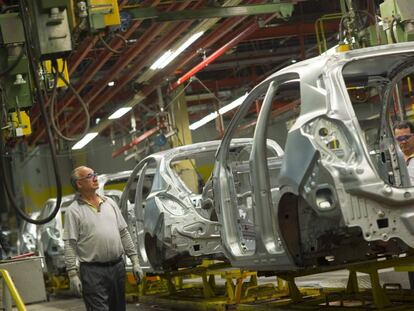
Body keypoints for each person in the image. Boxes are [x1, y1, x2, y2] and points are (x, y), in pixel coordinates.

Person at [63, 166, 143, 311]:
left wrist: (135, 260)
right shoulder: (73, 211)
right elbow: (70, 244)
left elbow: (123, 233)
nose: (95, 177)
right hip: (93, 272)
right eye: (89, 176)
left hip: (117, 267)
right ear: (79, 184)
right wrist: (72, 274)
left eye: (95, 174)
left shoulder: (110, 203)